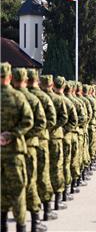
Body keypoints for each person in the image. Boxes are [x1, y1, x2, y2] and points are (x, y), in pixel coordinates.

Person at [12, 68, 48, 232]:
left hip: (9, 147)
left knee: (11, 184)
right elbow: (44, 122)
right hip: (33, 144)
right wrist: (27, 135)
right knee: (33, 179)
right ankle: (35, 221)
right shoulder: (36, 99)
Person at [1, 63, 34, 232]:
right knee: (18, 192)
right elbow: (29, 121)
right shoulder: (18, 98)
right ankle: (21, 227)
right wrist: (12, 135)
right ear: (10, 78)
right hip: (14, 153)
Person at [27, 69, 58, 221]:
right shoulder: (45, 98)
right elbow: (50, 120)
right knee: (44, 173)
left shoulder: (21, 96)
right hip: (42, 141)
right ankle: (44, 212)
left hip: (18, 143)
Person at [40, 75, 69, 211]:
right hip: (56, 137)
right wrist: (56, 128)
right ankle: (56, 202)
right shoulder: (58, 100)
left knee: (41, 170)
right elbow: (64, 118)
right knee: (57, 167)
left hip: (39, 138)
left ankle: (41, 203)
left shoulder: (36, 98)